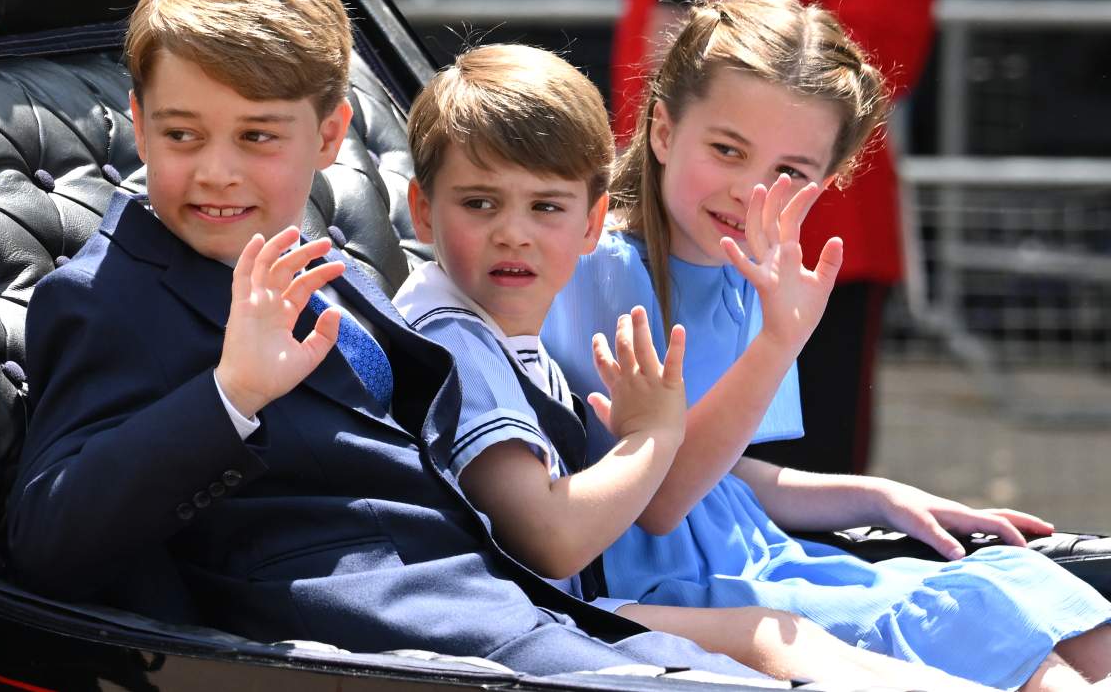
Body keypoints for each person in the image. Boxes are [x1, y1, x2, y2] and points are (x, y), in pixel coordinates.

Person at [4, 0, 781, 680]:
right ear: (139, 125)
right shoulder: (106, 297)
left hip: (506, 605)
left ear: (331, 134)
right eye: (182, 134)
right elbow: (46, 534)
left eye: (257, 136)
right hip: (379, 642)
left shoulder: (322, 263)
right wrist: (229, 394)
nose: (216, 171)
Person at [542, 0, 1111, 692]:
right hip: (674, 588)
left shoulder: (750, 274)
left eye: (789, 173)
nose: (751, 192)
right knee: (995, 629)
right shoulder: (600, 269)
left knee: (1053, 603)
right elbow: (660, 499)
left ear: (828, 181)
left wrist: (876, 494)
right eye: (726, 149)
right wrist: (778, 341)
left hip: (765, 558)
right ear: (662, 131)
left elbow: (728, 474)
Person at [393, 41, 996, 690]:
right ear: (423, 209)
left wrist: (874, 493)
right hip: (574, 610)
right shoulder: (465, 334)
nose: (514, 232)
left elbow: (723, 478)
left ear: (587, 219)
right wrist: (657, 431)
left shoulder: (513, 330)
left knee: (989, 606)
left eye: (546, 207)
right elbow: (567, 535)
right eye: (480, 203)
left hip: (604, 597)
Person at [612, 0, 946, 473]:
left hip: (817, 227)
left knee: (816, 452)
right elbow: (641, 80)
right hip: (684, 220)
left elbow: (867, 68)